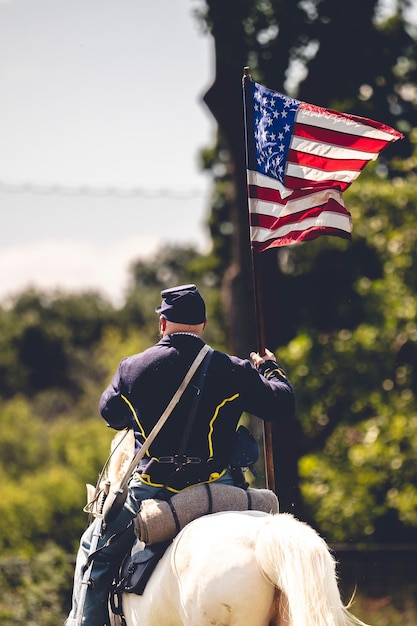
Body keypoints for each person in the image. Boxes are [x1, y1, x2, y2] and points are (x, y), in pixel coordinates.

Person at [65, 283, 295, 626]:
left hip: (152, 492)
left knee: (93, 550)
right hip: (222, 484)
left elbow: (109, 414)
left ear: (162, 324)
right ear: (202, 326)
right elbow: (282, 403)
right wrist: (268, 369)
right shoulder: (233, 369)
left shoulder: (133, 369)